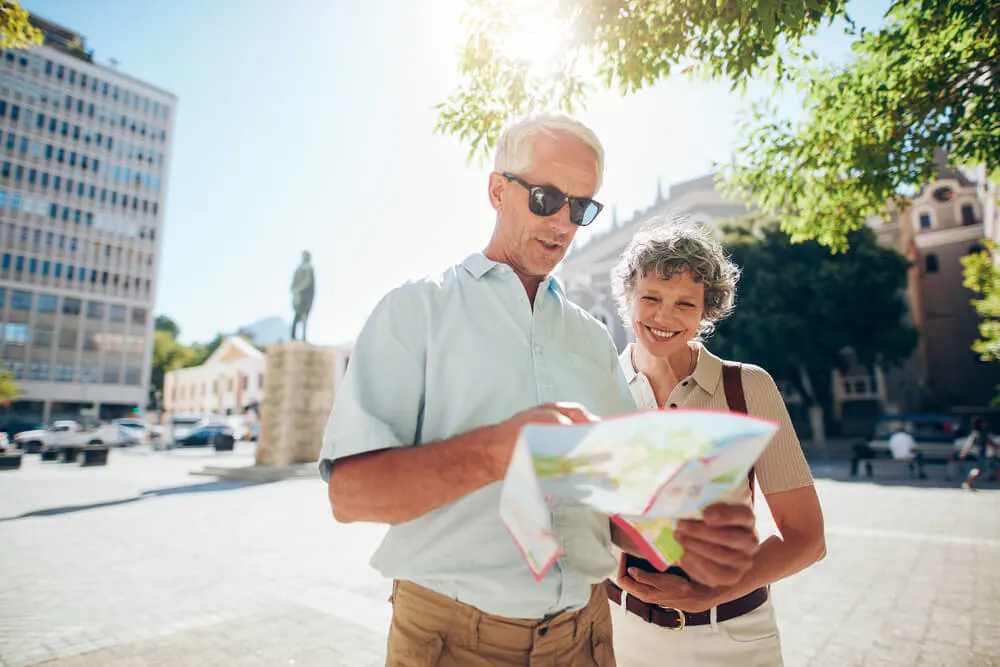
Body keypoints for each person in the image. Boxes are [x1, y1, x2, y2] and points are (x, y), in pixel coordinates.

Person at [318, 114, 760, 666]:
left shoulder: (592, 336)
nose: (562, 224)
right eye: (547, 198)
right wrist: (499, 450)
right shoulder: (416, 310)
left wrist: (679, 531)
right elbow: (350, 495)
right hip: (451, 640)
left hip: (587, 635)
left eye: (580, 207)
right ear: (497, 190)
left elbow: (619, 499)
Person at [606, 221, 826, 667]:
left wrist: (709, 592)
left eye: (685, 303)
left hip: (733, 640)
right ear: (628, 299)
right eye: (650, 298)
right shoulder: (598, 388)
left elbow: (807, 539)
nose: (664, 317)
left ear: (708, 311)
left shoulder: (747, 388)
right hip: (619, 638)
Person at [960, 416, 997, 490]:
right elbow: (991, 443)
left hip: (982, 454)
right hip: (984, 455)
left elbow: (969, 444)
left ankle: (968, 483)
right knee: (979, 470)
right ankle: (968, 483)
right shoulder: (981, 433)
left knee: (994, 468)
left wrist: (964, 452)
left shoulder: (975, 433)